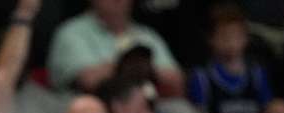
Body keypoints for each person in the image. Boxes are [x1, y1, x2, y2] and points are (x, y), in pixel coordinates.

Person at [46, 0, 184, 96]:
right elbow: (89, 81)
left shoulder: (147, 35)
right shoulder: (71, 32)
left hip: (146, 109)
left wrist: (142, 69)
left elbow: (177, 81)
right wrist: (131, 65)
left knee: (179, 110)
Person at [186, 3, 272, 113]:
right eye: (225, 37)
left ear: (246, 38)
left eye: (237, 36)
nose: (231, 42)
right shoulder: (202, 78)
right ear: (211, 39)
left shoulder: (256, 74)